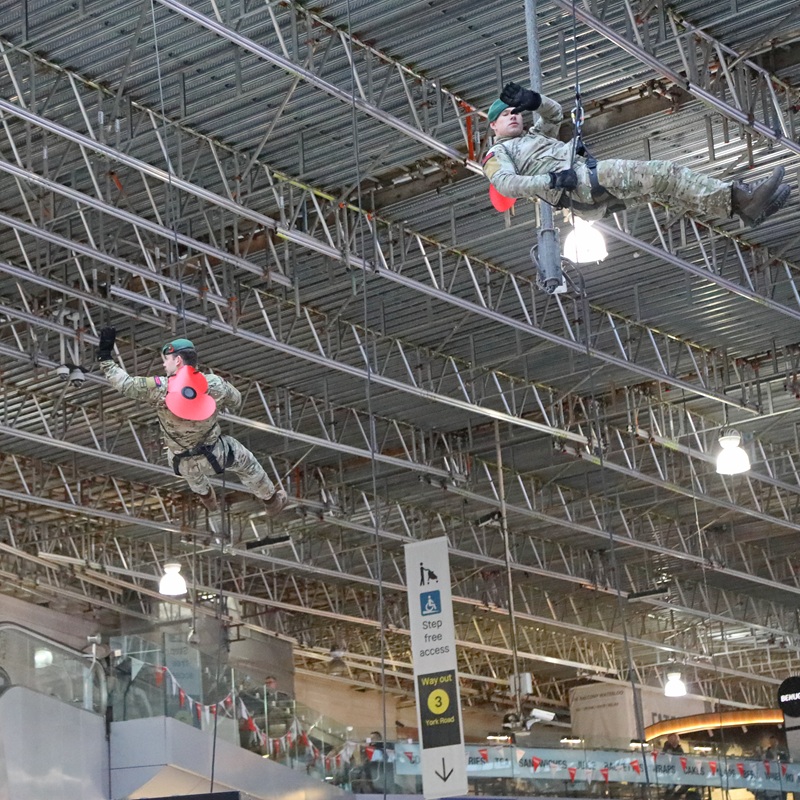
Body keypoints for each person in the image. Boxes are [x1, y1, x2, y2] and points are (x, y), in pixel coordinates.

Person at [482, 82, 791, 228]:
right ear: (493, 124)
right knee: (664, 174)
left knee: (666, 190)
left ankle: (742, 207)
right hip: (580, 184)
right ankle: (741, 197)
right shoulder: (499, 152)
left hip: (586, 190)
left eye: (515, 112)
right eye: (506, 115)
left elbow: (554, 114)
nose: (513, 116)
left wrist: (533, 100)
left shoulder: (535, 136)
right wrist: (549, 180)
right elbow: (507, 184)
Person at [96, 328, 287, 517]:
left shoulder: (161, 388)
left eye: (166, 360)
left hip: (181, 462)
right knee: (246, 462)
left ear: (177, 360)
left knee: (182, 459)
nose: (164, 365)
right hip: (216, 454)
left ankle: (207, 498)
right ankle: (271, 501)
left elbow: (126, 385)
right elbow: (236, 400)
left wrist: (105, 356)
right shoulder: (213, 383)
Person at [661, 733, 688, 800]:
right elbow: (663, 755)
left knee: (673, 792)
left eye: (671, 739)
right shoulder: (668, 747)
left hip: (677, 774)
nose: (670, 741)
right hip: (670, 773)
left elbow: (680, 763)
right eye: (669, 739)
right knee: (669, 792)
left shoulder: (679, 751)